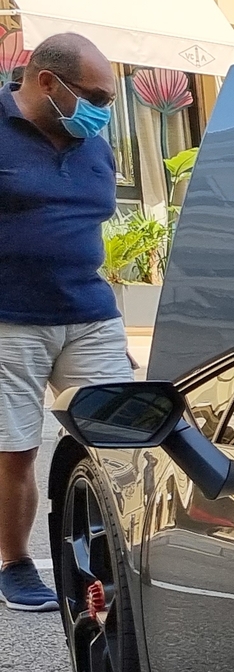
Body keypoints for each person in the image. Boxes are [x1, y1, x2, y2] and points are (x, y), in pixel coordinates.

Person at [0, 32, 128, 614]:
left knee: (121, 441)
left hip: (90, 315)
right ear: (47, 82)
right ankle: (15, 564)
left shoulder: (92, 143)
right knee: (16, 448)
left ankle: (114, 560)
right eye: (95, 96)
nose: (103, 111)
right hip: (11, 320)